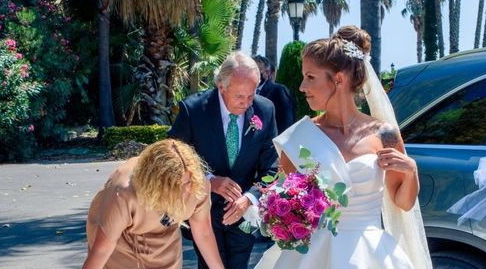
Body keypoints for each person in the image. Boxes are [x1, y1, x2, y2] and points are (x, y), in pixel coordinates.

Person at [254, 25, 432, 269]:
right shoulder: (300, 138)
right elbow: (284, 199)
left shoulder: (385, 134)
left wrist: (411, 171)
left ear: (338, 79)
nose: (302, 87)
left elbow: (403, 203)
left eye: (310, 77)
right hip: (314, 257)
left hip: (371, 254)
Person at [169, 51, 278, 269]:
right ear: (221, 86)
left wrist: (250, 198)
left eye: (252, 94)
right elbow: (171, 161)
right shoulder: (193, 110)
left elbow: (272, 166)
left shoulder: (265, 109)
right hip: (203, 213)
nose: (247, 103)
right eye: (240, 96)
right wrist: (208, 181)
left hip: (244, 214)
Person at [83, 139, 224, 269]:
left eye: (186, 183)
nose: (182, 191)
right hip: (121, 239)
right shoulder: (124, 192)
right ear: (155, 182)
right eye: (173, 185)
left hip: (164, 232)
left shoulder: (197, 186)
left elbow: (203, 233)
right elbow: (101, 250)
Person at [253, 54, 296, 134]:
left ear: (267, 72)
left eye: (258, 69)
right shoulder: (247, 93)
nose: (253, 73)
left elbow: (287, 121)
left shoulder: (279, 90)